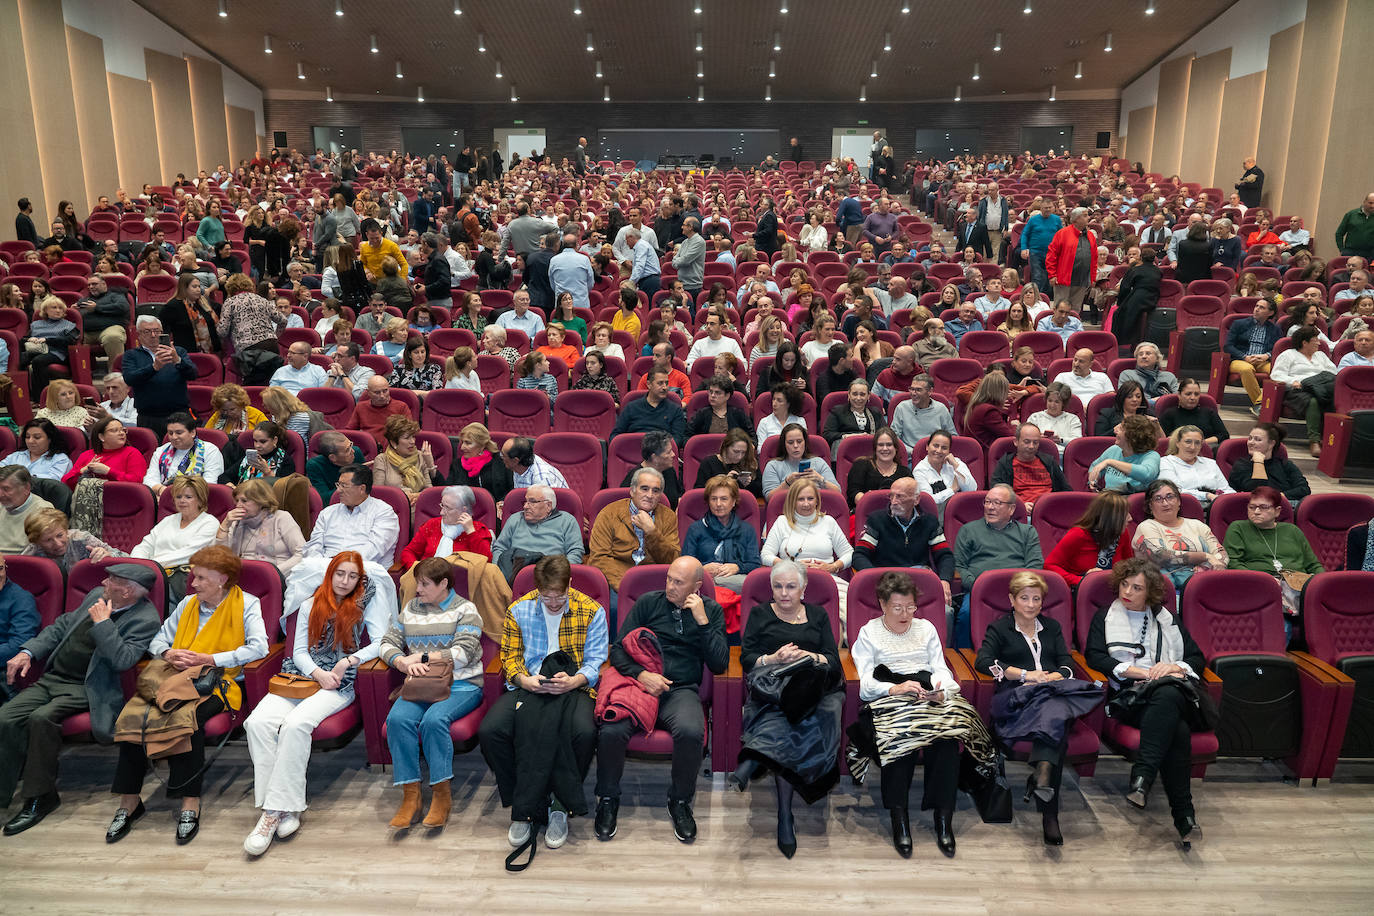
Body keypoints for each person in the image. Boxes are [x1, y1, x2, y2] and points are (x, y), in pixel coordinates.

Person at [105, 546, 266, 845]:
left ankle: (189, 800)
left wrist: (209, 659)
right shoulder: (188, 604)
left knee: (185, 718)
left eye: (202, 578)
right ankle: (129, 801)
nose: (193, 583)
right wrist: (169, 652)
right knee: (134, 715)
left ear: (222, 579)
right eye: (195, 576)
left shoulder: (247, 604)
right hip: (174, 678)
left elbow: (259, 649)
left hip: (218, 683)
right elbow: (158, 640)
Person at [243, 551, 388, 856]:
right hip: (303, 676)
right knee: (257, 723)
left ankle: (269, 816)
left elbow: (380, 642)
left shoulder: (365, 602)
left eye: (352, 576)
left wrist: (349, 660)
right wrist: (318, 673)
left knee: (296, 725)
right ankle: (287, 808)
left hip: (340, 682)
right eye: (340, 574)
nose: (345, 581)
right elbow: (297, 651)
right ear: (330, 574)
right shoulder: (311, 603)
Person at [0, 563, 158, 836]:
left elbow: (123, 660)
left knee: (41, 718)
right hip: (53, 678)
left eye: (112, 580)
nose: (104, 582)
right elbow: (61, 626)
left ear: (128, 591)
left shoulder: (145, 619)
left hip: (87, 687)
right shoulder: (97, 595)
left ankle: (40, 798)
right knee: (6, 716)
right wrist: (28, 651)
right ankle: (4, 793)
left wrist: (104, 624)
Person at [477, 554, 607, 854]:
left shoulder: (591, 610)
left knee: (583, 733)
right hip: (529, 685)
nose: (553, 602)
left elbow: (596, 660)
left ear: (570, 585)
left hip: (572, 686)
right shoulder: (518, 610)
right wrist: (524, 680)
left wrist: (573, 681)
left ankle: (559, 805)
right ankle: (527, 802)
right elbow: (509, 658)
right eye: (546, 596)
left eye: (559, 596)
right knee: (491, 731)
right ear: (536, 589)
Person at [593, 556, 726, 843]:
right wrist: (641, 675)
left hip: (680, 690)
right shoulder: (647, 603)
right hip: (639, 685)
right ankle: (607, 797)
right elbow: (617, 651)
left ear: (697, 587)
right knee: (612, 730)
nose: (670, 586)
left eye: (678, 582)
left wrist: (702, 622)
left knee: (691, 732)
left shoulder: (711, 611)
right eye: (669, 579)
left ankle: (679, 801)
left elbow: (719, 664)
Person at [973, 571, 1103, 847]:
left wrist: (1054, 676)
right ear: (1012, 599)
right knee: (1058, 716)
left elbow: (1066, 663)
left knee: (1054, 709)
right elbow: (984, 662)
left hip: (1050, 693)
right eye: (1024, 598)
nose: (1031, 604)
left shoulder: (1052, 628)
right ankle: (1049, 813)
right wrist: (1025, 675)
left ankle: (1044, 777)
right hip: (1016, 699)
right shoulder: (1000, 629)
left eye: (1036, 599)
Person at [1084, 557, 1208, 843]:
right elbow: (1095, 656)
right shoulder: (1105, 617)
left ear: (1150, 592)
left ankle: (1143, 778)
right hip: (1131, 698)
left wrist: (1174, 668)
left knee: (1166, 692)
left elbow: (1196, 659)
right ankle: (1183, 815)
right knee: (1177, 730)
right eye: (1124, 585)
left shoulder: (1169, 620)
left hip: (1169, 694)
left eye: (1136, 588)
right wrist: (1137, 671)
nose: (1127, 592)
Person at [730, 560, 843, 858]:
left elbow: (832, 659)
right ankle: (783, 815)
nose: (784, 593)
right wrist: (773, 658)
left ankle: (755, 758)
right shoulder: (759, 614)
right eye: (778, 586)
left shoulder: (817, 616)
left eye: (791, 586)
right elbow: (747, 658)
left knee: (795, 713)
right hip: (772, 684)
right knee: (791, 718)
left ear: (803, 589)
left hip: (812, 685)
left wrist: (808, 655)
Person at [380, 557, 485, 830]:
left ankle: (441, 794)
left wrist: (421, 657)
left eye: (425, 584)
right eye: (418, 583)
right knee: (397, 720)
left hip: (461, 685)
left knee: (434, 721)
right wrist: (401, 662)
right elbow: (387, 643)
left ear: (444, 584)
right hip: (418, 685)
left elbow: (464, 653)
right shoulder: (411, 609)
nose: (418, 590)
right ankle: (410, 795)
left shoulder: (466, 610)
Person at [1223, 484, 1324, 632]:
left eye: (1263, 507)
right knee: (1281, 627)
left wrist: (1321, 585)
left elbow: (1313, 565)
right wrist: (1264, 580)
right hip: (1259, 588)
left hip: (1298, 588)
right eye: (1252, 507)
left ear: (1277, 511)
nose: (1256, 512)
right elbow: (1233, 563)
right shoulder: (1238, 528)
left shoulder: (1292, 531)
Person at [953, 484, 1043, 648]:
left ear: (1011, 509)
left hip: (1019, 592)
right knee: (966, 614)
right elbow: (959, 566)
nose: (990, 507)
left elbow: (1035, 565)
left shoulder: (1027, 532)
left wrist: (1020, 590)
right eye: (987, 502)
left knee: (1041, 611)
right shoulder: (968, 530)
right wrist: (978, 586)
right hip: (980, 590)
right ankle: (964, 655)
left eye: (997, 503)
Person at [589, 468, 680, 609]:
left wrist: (652, 531)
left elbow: (672, 560)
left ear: (660, 495)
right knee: (614, 607)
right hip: (616, 580)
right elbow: (599, 558)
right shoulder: (608, 513)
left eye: (655, 491)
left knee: (666, 608)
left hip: (653, 579)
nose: (650, 495)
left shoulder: (668, 517)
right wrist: (626, 585)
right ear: (632, 491)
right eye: (644, 489)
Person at [761, 478, 852, 619]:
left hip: (826, 579)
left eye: (810, 498)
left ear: (817, 501)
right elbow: (765, 555)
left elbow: (849, 553)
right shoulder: (782, 522)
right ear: (793, 501)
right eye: (800, 499)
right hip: (790, 580)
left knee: (844, 613)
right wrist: (791, 566)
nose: (806, 504)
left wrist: (833, 567)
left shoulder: (828, 522)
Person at [1132, 479, 1227, 593]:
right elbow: (1160, 556)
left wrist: (1210, 568)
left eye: (1170, 497)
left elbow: (1221, 553)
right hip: (1165, 591)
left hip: (1206, 584)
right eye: (1158, 499)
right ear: (1150, 506)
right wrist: (1205, 556)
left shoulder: (1197, 525)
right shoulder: (1147, 527)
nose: (1165, 503)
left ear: (1179, 501)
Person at [490, 484, 584, 583]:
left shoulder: (567, 520)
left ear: (548, 506)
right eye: (525, 501)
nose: (525, 506)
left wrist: (558, 576)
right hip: (513, 575)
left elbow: (575, 553)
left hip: (551, 578)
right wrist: (498, 574)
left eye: (532, 502)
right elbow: (499, 548)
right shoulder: (515, 519)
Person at [123, 315, 196, 440]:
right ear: (139, 335)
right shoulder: (131, 355)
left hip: (179, 413)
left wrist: (177, 360)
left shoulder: (178, 351)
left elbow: (193, 374)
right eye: (147, 331)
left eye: (156, 331)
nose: (153, 335)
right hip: (148, 416)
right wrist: (154, 367)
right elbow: (130, 378)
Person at [213, 479, 305, 574]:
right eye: (237, 501)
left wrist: (274, 573)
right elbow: (221, 557)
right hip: (241, 575)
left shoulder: (281, 518)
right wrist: (225, 525)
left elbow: (302, 553)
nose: (238, 505)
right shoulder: (236, 521)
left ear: (261, 501)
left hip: (277, 577)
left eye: (244, 501)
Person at [1271, 325, 1337, 456]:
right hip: (1298, 391)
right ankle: (1314, 441)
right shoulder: (1288, 355)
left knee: (1334, 400)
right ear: (1304, 342)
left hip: (1320, 389)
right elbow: (1276, 375)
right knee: (1313, 402)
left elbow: (1333, 372)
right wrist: (1292, 381)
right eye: (1315, 340)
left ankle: (1330, 440)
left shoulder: (1321, 355)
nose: (1319, 343)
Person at [1044, 491, 1133, 587]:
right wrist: (1081, 580)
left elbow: (1130, 566)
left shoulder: (1122, 533)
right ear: (1111, 519)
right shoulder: (1078, 534)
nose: (1130, 518)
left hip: (1114, 590)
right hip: (1082, 591)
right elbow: (1050, 566)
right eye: (1125, 514)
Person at [990, 423, 1072, 513]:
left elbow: (1066, 491)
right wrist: (1019, 506)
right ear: (1016, 442)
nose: (1031, 446)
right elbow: (996, 493)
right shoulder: (1005, 463)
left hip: (1049, 510)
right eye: (1026, 442)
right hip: (1020, 512)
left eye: (1035, 442)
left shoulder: (1049, 462)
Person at [143, 412, 224, 498]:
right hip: (163, 497)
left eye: (179, 433)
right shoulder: (161, 450)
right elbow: (149, 480)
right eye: (170, 433)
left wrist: (177, 495)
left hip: (197, 500)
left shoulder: (210, 450)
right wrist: (162, 490)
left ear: (192, 432)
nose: (174, 437)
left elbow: (210, 483)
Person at [1223, 298, 1282, 413]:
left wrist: (1267, 355)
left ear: (1270, 313)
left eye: (1262, 307)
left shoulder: (1275, 329)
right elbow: (1228, 346)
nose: (1257, 309)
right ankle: (1259, 404)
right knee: (1247, 369)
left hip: (1262, 361)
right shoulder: (1239, 324)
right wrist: (1244, 357)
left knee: (1278, 371)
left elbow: (1277, 348)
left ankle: (1259, 404)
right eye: (1256, 306)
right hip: (1241, 360)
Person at [20, 508, 122, 574]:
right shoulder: (32, 553)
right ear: (37, 542)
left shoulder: (82, 539)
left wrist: (109, 555)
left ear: (66, 530)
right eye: (48, 540)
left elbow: (127, 559)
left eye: (60, 535)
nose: (58, 544)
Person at [1227, 423, 1310, 503]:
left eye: (1257, 439)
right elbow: (1259, 493)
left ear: (1271, 444)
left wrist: (1279, 496)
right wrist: (1258, 462)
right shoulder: (1241, 465)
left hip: (1286, 505)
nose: (1251, 442)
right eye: (1250, 438)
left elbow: (1304, 489)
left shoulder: (1285, 465)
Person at [370, 415, 441, 501]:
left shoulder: (420, 456)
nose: (412, 441)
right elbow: (378, 494)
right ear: (393, 443)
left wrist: (417, 496)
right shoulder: (382, 460)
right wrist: (402, 496)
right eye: (407, 438)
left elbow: (429, 489)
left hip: (418, 506)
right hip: (392, 508)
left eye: (413, 437)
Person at [1158, 426, 1233, 507]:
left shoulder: (1210, 463)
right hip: (1183, 507)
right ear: (1178, 443)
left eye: (1197, 443)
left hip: (1215, 506)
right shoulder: (1166, 462)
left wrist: (1233, 497)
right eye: (1188, 442)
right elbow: (1173, 491)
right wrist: (1207, 495)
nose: (1192, 447)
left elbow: (1225, 488)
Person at [610, 367, 687, 446]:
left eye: (666, 383)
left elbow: (678, 439)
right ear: (649, 384)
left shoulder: (675, 410)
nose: (665, 387)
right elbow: (615, 435)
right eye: (660, 383)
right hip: (633, 452)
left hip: (661, 453)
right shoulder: (631, 408)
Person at [762, 423, 840, 498]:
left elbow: (838, 492)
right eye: (790, 442)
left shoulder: (818, 462)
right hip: (786, 510)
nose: (795, 446)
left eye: (799, 441)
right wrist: (787, 483)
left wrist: (820, 480)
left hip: (818, 509)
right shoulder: (773, 466)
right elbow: (770, 498)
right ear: (784, 444)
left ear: (805, 442)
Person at [21, 297, 79, 398]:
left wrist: (47, 340)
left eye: (61, 308)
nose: (58, 310)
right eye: (54, 307)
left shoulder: (69, 325)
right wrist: (30, 339)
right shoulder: (36, 324)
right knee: (19, 359)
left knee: (38, 361)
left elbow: (70, 341)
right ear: (45, 310)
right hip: (36, 350)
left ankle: (41, 397)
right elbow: (23, 339)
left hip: (58, 353)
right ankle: (22, 395)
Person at [1089, 415, 1161, 494]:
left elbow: (1147, 474)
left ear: (1132, 436)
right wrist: (1093, 480)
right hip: (1110, 499)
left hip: (1134, 502)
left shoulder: (1151, 456)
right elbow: (1095, 466)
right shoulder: (1114, 449)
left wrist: (1110, 462)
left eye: (1120, 429)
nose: (1115, 431)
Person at [844, 427, 913, 507]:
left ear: (896, 448)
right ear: (875, 448)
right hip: (866, 512)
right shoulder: (861, 465)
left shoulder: (905, 473)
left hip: (897, 514)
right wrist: (869, 501)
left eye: (889, 445)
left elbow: (911, 497)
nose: (885, 448)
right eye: (880, 445)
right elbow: (853, 492)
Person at [1044, 208, 1098, 310]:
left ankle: (1072, 326)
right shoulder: (1062, 233)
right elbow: (1051, 255)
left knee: (1076, 309)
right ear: (1076, 219)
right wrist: (1052, 275)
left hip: (1082, 279)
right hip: (1063, 279)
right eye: (1085, 215)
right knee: (1060, 308)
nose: (1089, 217)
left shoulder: (1090, 236)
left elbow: (1094, 259)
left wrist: (1093, 278)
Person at [617, 430, 684, 508]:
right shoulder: (634, 478)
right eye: (668, 452)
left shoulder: (669, 470)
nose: (673, 454)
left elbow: (678, 496)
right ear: (654, 457)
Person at [694, 429, 763, 502]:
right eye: (736, 451)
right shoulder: (709, 463)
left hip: (744, 505)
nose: (740, 456)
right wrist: (724, 482)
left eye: (743, 452)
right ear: (726, 447)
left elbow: (760, 492)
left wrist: (749, 484)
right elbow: (699, 493)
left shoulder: (749, 463)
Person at [1158, 378, 1228, 446]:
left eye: (1196, 394)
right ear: (1179, 395)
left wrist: (1201, 443)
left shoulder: (1209, 413)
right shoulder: (1169, 414)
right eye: (1188, 394)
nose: (1193, 398)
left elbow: (1224, 435)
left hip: (1207, 449)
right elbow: (1163, 440)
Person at [347, 376, 414, 447]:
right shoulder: (360, 407)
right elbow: (350, 432)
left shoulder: (401, 407)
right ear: (368, 393)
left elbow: (409, 432)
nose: (382, 396)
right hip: (368, 448)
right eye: (377, 392)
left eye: (385, 391)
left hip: (393, 449)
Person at [0, 467, 53, 555]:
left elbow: (38, 552)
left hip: (17, 563)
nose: (0, 494)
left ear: (26, 488)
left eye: (6, 489)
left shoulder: (42, 510)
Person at [891, 377, 954, 450]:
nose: (913, 393)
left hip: (936, 454)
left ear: (930, 391)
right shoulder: (902, 407)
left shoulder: (941, 409)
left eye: (918, 390)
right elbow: (893, 437)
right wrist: (911, 452)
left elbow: (952, 436)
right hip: (909, 455)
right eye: (912, 389)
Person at [1, 420, 71, 482]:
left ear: (50, 439)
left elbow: (53, 483)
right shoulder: (15, 456)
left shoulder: (61, 460)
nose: (30, 441)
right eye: (27, 437)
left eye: (37, 437)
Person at [821, 379, 883, 448]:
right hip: (845, 450)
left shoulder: (875, 413)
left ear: (868, 396)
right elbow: (827, 435)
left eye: (862, 394)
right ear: (849, 395)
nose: (858, 398)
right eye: (854, 394)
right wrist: (849, 436)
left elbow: (885, 434)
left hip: (870, 452)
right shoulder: (838, 411)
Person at [686, 374, 751, 439]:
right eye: (710, 392)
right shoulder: (701, 414)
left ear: (727, 396)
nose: (712, 395)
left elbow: (752, 437)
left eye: (717, 393)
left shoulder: (738, 414)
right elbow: (687, 437)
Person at [1025, 381, 1083, 454]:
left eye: (1057, 402)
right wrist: (1039, 439)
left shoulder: (1073, 419)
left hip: (1065, 455)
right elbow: (1026, 439)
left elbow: (1077, 441)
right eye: (1050, 400)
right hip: (1040, 454)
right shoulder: (1035, 417)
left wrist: (1060, 440)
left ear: (1063, 404)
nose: (1052, 405)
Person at [963, 372, 1015, 451]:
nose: (1007, 395)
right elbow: (1010, 436)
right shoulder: (988, 411)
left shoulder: (978, 405)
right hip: (988, 455)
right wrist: (1015, 425)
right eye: (1006, 392)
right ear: (1000, 392)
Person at [1094, 380, 1161, 438]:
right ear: (1122, 398)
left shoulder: (1147, 414)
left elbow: (1162, 440)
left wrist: (1157, 425)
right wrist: (1114, 431)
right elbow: (1098, 440)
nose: (1135, 400)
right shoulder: (1107, 414)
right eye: (1129, 396)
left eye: (1138, 396)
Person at [499, 436, 568, 490]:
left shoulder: (541, 479)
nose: (501, 457)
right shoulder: (518, 467)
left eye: (503, 455)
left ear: (515, 460)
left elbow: (545, 507)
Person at [1333, 192, 1374, 259]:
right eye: (1370, 203)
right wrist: (1341, 250)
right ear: (1364, 202)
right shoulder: (1351, 214)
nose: (1372, 206)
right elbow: (1339, 233)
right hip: (1350, 252)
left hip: (1369, 254)